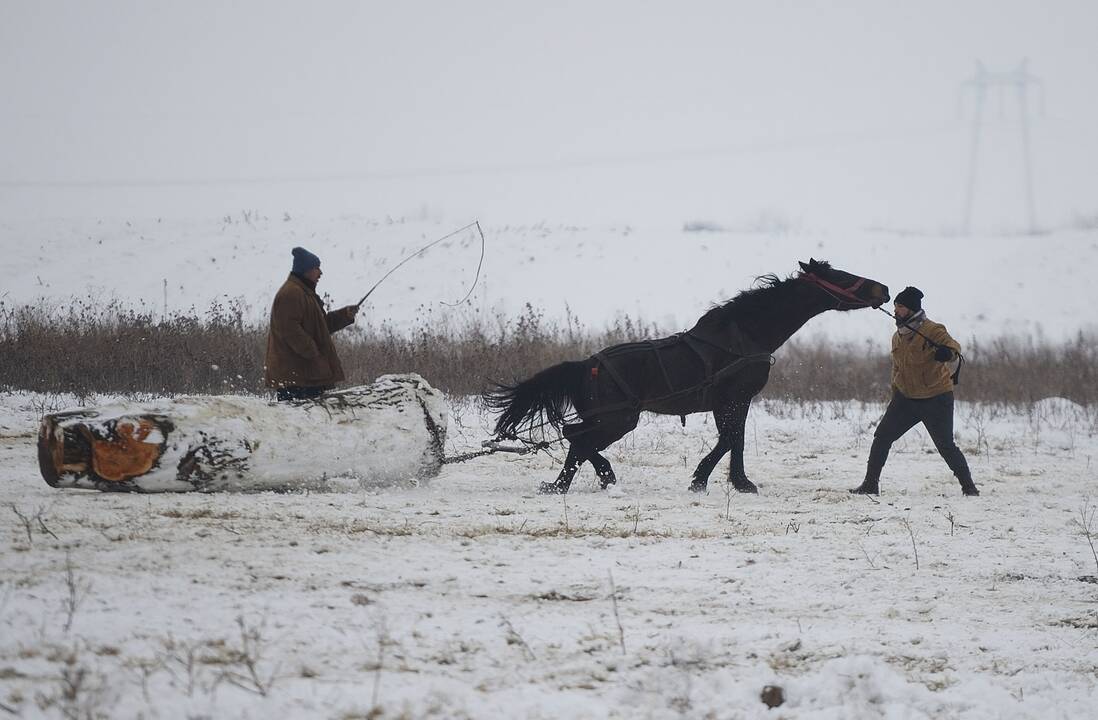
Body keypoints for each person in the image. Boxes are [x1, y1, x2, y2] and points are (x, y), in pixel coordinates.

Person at [851, 286, 979, 496]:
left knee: (945, 445)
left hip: (936, 398)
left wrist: (947, 354)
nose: (895, 311)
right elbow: (897, 368)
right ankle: (870, 485)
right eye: (895, 306)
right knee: (882, 436)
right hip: (906, 398)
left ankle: (969, 487)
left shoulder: (933, 330)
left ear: (911, 309)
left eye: (900, 307)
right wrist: (895, 392)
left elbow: (955, 348)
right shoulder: (897, 336)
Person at [265, 247, 359, 401]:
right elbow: (290, 330)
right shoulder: (291, 293)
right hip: (296, 377)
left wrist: (345, 315)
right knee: (297, 422)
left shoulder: (303, 292)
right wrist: (314, 352)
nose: (320, 273)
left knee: (310, 422)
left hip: (305, 375)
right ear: (306, 270)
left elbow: (321, 327)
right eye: (317, 268)